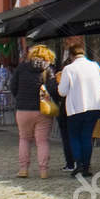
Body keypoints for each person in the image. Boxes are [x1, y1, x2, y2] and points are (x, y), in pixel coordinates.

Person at [11, 45, 61, 179]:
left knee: (24, 139)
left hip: (23, 109)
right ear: (48, 57)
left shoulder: (21, 67)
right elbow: (53, 90)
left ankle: (23, 169)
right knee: (42, 141)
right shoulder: (48, 69)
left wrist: (20, 98)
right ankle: (43, 171)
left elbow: (13, 86)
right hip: (42, 110)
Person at [56, 42, 100, 178]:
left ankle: (80, 164)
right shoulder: (95, 66)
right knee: (87, 136)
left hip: (76, 107)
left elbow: (62, 92)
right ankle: (87, 165)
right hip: (94, 106)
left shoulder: (69, 69)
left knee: (75, 136)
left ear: (71, 55)